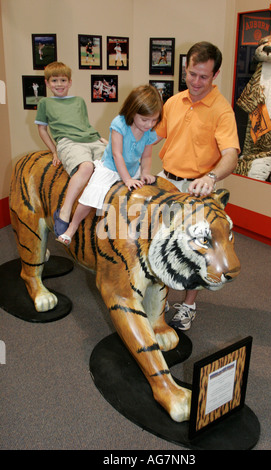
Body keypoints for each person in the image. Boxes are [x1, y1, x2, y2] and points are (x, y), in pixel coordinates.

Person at [155, 41, 240, 331]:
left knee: (195, 251)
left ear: (215, 74)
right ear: (186, 68)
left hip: (198, 190)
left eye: (203, 76)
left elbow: (231, 155)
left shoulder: (221, 110)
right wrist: (118, 146)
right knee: (160, 243)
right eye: (192, 74)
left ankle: (188, 305)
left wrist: (212, 177)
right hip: (166, 183)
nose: (196, 82)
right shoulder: (173, 102)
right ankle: (161, 295)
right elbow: (153, 136)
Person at [57, 84, 163, 246]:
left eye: (154, 120)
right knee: (89, 198)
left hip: (132, 170)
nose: (149, 124)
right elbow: (117, 154)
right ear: (132, 112)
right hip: (110, 168)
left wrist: (145, 172)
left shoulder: (149, 132)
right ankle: (72, 227)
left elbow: (147, 156)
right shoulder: (119, 124)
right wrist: (127, 179)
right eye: (145, 120)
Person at [35, 61, 107, 237]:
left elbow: (85, 124)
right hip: (69, 142)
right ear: (47, 83)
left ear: (70, 82)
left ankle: (104, 210)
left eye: (63, 80)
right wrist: (54, 150)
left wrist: (100, 138)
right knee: (87, 167)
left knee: (113, 165)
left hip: (91, 139)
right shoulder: (45, 103)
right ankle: (65, 211)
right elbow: (42, 129)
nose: (59, 84)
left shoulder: (79, 101)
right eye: (54, 80)